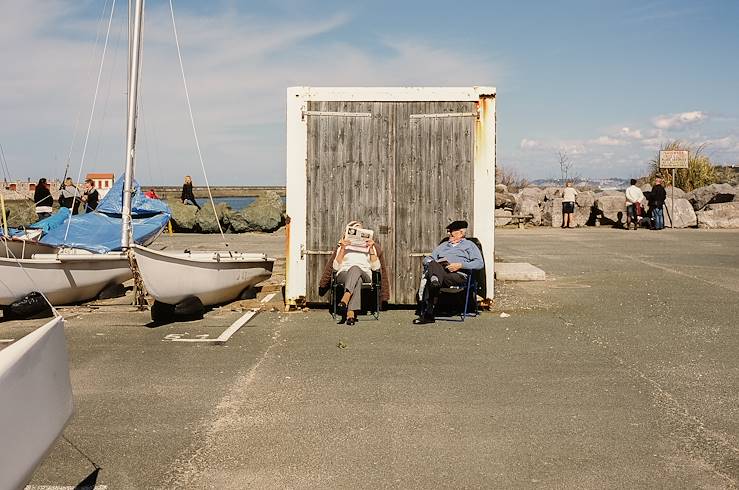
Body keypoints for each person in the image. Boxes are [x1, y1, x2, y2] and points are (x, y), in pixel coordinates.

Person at [318, 221, 389, 325]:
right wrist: (342, 249)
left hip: (365, 274)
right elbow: (335, 267)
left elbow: (376, 268)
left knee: (355, 268)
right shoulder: (342, 246)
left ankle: (345, 298)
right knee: (357, 279)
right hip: (344, 274)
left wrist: (371, 250)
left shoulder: (372, 247)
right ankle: (351, 314)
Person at [413, 220, 484, 325]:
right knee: (432, 263)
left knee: (433, 278)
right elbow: (427, 259)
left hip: (458, 275)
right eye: (449, 231)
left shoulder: (470, 245)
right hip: (441, 273)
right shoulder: (444, 245)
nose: (449, 233)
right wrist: (432, 262)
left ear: (461, 233)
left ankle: (429, 314)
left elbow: (479, 263)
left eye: (452, 231)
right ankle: (435, 281)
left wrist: (460, 265)